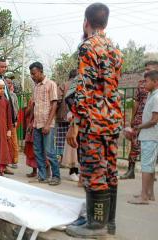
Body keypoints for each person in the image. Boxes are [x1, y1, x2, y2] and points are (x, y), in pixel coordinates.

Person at [66, 3, 123, 238]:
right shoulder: (115, 50)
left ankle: (95, 225)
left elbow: (85, 87)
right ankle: (109, 222)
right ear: (106, 23)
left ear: (85, 22)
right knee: (110, 169)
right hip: (113, 119)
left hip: (93, 120)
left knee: (93, 170)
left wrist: (75, 123)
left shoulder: (88, 47)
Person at [121, 61, 158, 179]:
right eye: (145, 69)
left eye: (149, 69)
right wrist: (132, 118)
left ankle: (151, 173)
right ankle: (130, 170)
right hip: (140, 118)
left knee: (153, 145)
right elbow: (136, 101)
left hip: (154, 118)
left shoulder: (155, 83)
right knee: (134, 144)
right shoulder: (142, 83)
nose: (146, 71)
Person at [128, 70, 158, 205]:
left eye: (147, 81)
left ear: (155, 82)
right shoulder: (152, 95)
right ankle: (149, 194)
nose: (144, 83)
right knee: (149, 166)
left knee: (146, 166)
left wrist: (139, 127)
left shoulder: (157, 97)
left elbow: (154, 120)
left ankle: (144, 196)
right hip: (149, 135)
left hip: (151, 136)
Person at [30, 62, 61, 186]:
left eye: (34, 74)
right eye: (31, 74)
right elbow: (35, 106)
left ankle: (56, 176)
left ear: (41, 71)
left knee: (49, 151)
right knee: (37, 151)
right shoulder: (36, 87)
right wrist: (31, 124)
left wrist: (48, 124)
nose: (32, 76)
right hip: (37, 124)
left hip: (47, 124)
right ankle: (42, 176)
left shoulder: (51, 84)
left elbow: (54, 104)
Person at [57, 69, 79, 182]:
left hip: (64, 117)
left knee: (66, 143)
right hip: (74, 117)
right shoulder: (80, 83)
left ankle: (66, 163)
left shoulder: (64, 85)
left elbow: (59, 99)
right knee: (73, 145)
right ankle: (73, 170)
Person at [0, 79, 14, 175]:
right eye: (0, 88)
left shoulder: (6, 101)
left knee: (3, 148)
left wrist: (9, 130)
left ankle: (2, 168)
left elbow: (9, 117)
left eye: (3, 88)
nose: (2, 90)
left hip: (3, 129)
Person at [6, 78, 19, 169]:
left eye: (10, 83)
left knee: (14, 142)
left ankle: (15, 161)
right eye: (7, 82)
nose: (8, 84)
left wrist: (16, 120)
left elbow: (16, 109)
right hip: (4, 122)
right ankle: (6, 160)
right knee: (6, 142)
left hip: (12, 122)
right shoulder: (3, 94)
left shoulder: (14, 95)